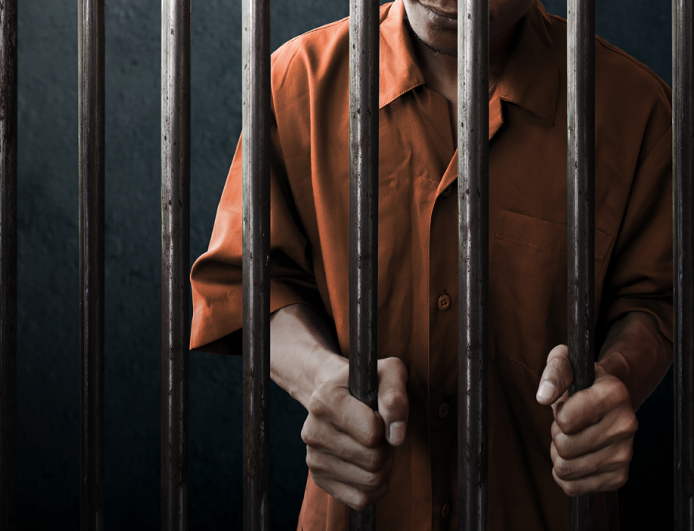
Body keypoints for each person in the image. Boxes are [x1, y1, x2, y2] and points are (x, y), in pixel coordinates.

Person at [189, 0, 674, 529]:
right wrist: (322, 379)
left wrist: (616, 376)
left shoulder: (634, 107)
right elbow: (249, 284)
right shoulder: (299, 80)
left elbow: (655, 299)